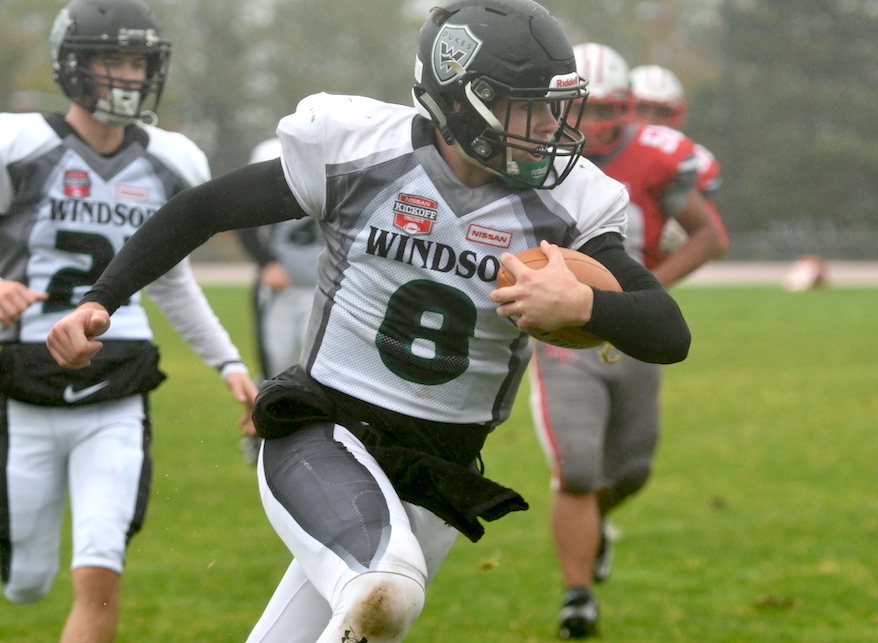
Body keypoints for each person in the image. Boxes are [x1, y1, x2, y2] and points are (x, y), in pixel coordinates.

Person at [45, 2, 692, 641]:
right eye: (532, 104)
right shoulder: (362, 150)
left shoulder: (571, 200)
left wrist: (585, 306)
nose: (552, 125)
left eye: (556, 104)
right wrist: (103, 297)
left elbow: (667, 331)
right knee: (386, 589)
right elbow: (203, 209)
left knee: (355, 613)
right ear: (467, 102)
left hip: (442, 469)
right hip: (324, 430)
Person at [0, 1, 258, 641]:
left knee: (100, 571)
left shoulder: (174, 161)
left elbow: (171, 280)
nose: (126, 75)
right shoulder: (17, 144)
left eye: (137, 61)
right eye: (111, 59)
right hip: (19, 389)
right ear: (73, 66)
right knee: (26, 580)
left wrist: (227, 362)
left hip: (117, 385)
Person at [529, 43, 730, 639]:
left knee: (634, 469)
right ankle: (578, 597)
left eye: (606, 108)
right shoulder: (530, 156)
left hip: (631, 336)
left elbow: (709, 235)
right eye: (583, 110)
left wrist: (643, 301)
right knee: (579, 468)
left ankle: (594, 530)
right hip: (564, 334)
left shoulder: (655, 157)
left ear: (627, 106)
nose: (591, 123)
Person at [234, 137, 324, 465]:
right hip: (279, 292)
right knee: (275, 365)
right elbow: (242, 225)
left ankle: (317, 441)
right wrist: (266, 263)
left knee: (319, 369)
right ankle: (259, 434)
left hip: (322, 289)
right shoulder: (266, 194)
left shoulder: (331, 183)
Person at [629, 63, 730, 254]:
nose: (651, 120)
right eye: (642, 109)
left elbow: (718, 241)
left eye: (662, 112)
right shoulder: (606, 148)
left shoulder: (686, 158)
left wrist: (684, 234)